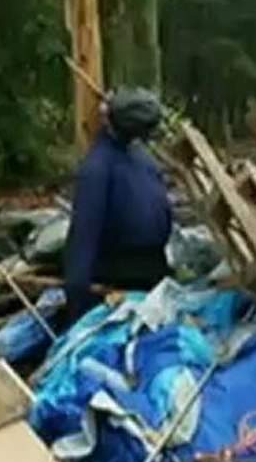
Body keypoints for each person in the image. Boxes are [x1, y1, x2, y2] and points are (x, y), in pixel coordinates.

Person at [63, 88, 173, 324]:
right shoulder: (121, 163)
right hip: (135, 274)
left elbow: (84, 231)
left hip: (135, 274)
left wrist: (75, 290)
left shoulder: (117, 163)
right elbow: (86, 230)